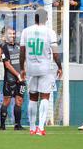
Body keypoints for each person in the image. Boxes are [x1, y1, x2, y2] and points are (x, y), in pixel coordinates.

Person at [20, 8, 62, 136]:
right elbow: (55, 53)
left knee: (32, 98)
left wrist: (22, 68)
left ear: (35, 18)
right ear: (47, 18)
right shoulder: (50, 32)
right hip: (46, 68)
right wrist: (60, 66)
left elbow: (22, 51)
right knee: (45, 97)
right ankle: (40, 128)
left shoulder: (26, 31)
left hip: (31, 68)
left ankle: (32, 128)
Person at [0, 27, 26, 130]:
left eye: (14, 33)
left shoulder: (19, 46)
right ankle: (2, 125)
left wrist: (23, 72)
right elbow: (7, 65)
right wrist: (17, 75)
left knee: (19, 100)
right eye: (10, 34)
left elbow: (24, 60)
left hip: (21, 78)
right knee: (7, 101)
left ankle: (17, 125)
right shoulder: (3, 47)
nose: (13, 36)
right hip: (10, 79)